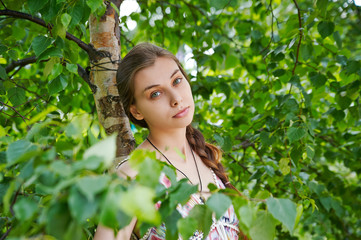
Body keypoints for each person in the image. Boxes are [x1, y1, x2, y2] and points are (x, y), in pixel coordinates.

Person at [94, 43, 242, 240]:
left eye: (177, 81)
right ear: (136, 111)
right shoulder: (133, 176)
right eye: (155, 93)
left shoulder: (204, 155)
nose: (176, 98)